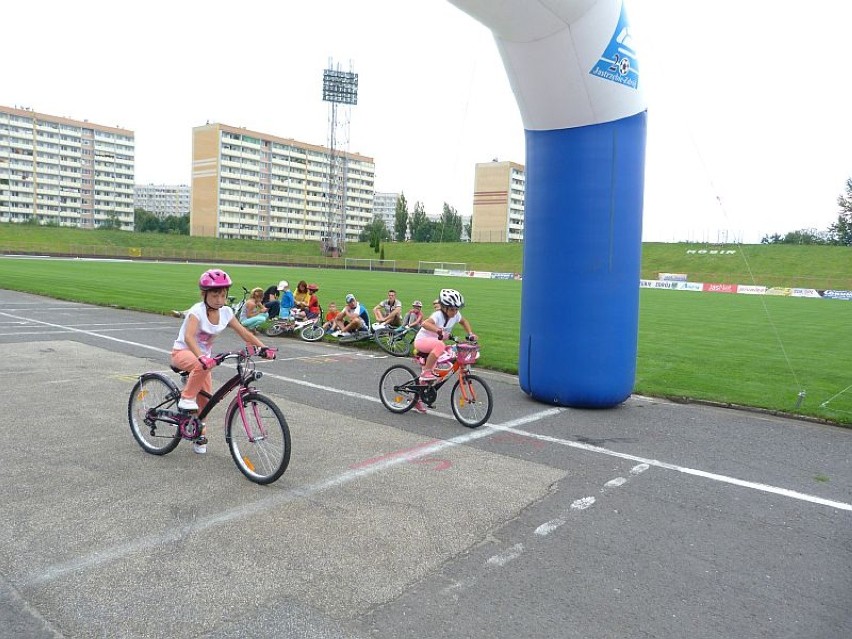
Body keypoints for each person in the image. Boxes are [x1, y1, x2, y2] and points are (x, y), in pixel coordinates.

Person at [171, 269, 275, 454]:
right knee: (199, 367)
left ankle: (198, 434)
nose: (220, 299)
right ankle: (186, 399)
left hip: (205, 362)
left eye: (223, 295)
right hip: (184, 353)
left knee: (206, 402)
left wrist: (263, 347)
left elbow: (244, 332)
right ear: (204, 294)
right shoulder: (197, 311)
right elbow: (188, 337)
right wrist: (201, 357)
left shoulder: (226, 312)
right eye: (215, 295)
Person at [414, 288, 476, 384]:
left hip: (434, 344)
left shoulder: (456, 315)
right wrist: (437, 330)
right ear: (444, 307)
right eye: (452, 309)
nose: (455, 312)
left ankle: (420, 396)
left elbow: (464, 322)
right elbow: (424, 324)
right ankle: (426, 372)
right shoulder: (438, 315)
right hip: (422, 341)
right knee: (440, 345)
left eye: (457, 309)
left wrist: (470, 334)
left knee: (430, 379)